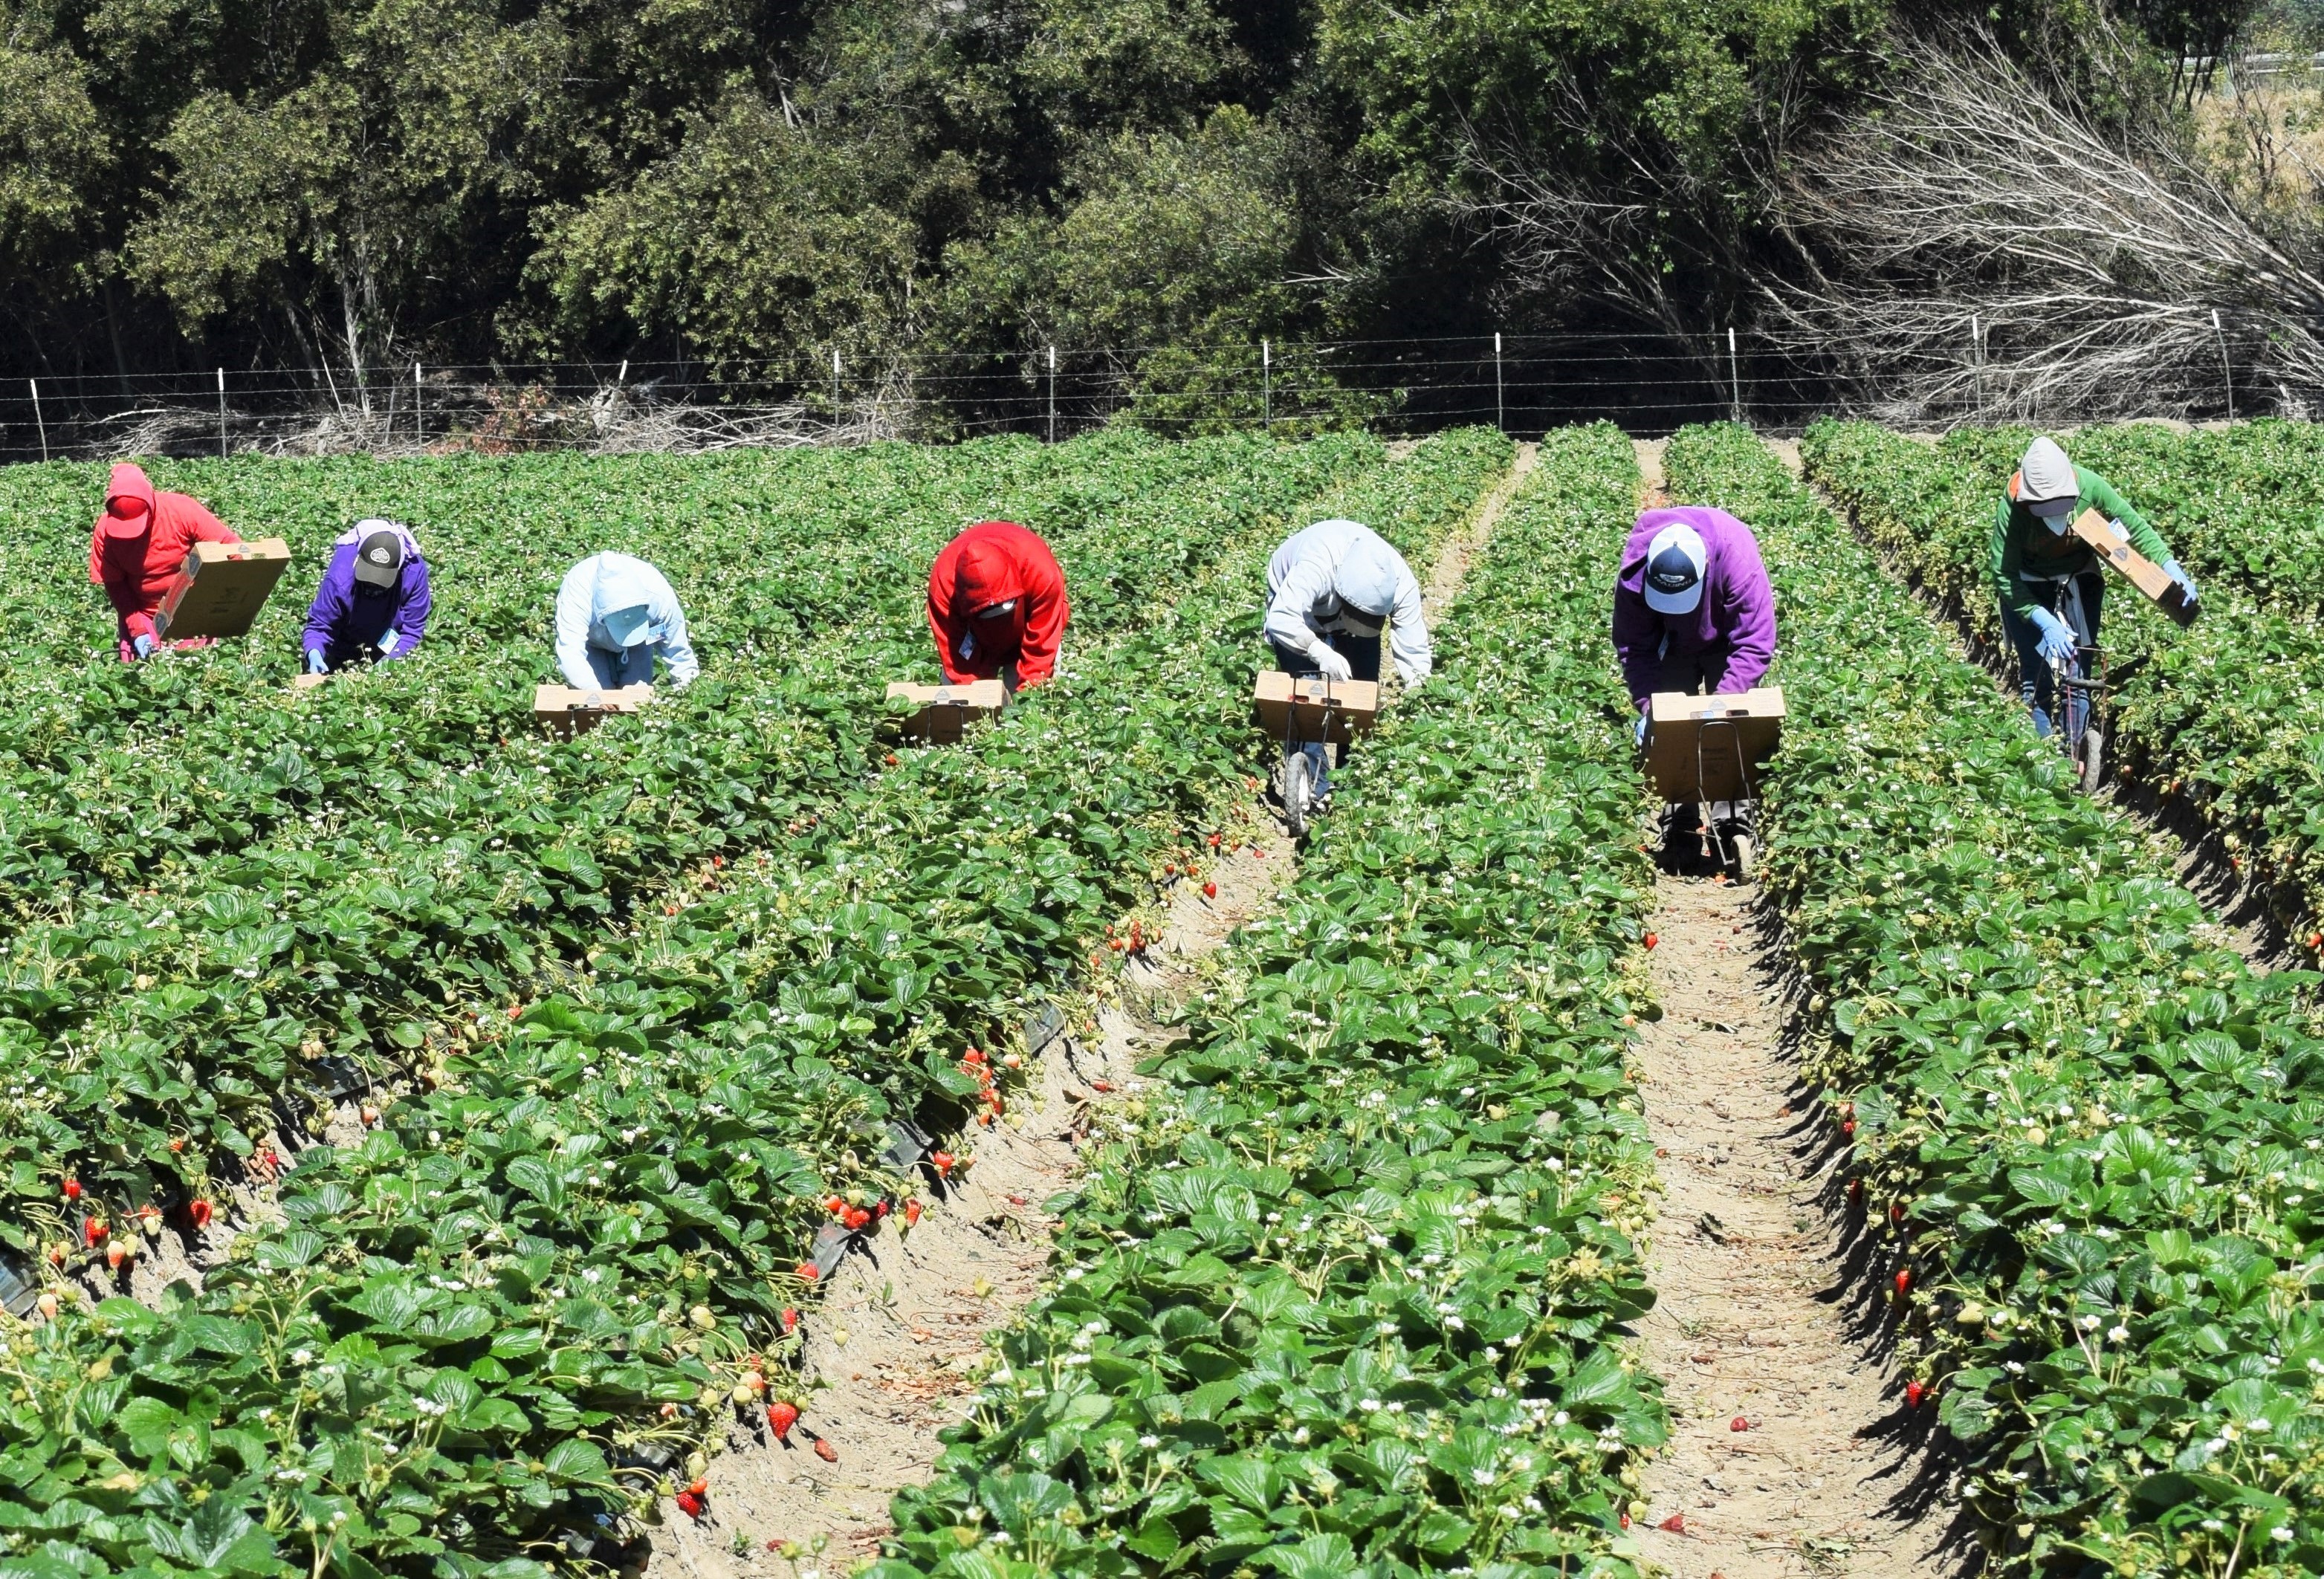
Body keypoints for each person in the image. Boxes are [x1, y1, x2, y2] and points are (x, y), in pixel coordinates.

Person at [1993, 435, 2195, 742]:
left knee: (2079, 672)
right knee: (2037, 675)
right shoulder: (2014, 505)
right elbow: (2004, 574)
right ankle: (2041, 752)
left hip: (2078, 574)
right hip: (2029, 581)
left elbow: (2135, 527)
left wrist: (2167, 564)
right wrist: (2042, 620)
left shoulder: (2090, 485)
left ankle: (2074, 753)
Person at [1613, 501, 1776, 866]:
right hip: (1668, 643)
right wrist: (1650, 706)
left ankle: (1731, 818)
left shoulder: (1735, 557)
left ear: (1703, 571)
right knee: (1673, 730)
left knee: (1727, 726)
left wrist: (1719, 705)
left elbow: (1754, 641)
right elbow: (1633, 647)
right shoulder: (1636, 573)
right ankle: (1679, 819)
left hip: (1725, 639)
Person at [1262, 518, 1431, 801]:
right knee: (1305, 700)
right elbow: (1282, 618)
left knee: (1360, 698)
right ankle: (1314, 788)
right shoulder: (1316, 568)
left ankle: (1351, 785)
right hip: (1298, 615)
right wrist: (1319, 651)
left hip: (1338, 607)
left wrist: (1419, 690)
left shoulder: (1398, 581)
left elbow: (1414, 648)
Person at [88, 462, 240, 661]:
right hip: (141, 612)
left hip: (192, 610)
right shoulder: (104, 532)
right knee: (142, 679)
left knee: (194, 673)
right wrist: (137, 629)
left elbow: (230, 547)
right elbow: (116, 584)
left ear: (151, 507)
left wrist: (227, 602)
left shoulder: (181, 511)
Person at [927, 521, 1067, 691]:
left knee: (1035, 690)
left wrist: (1029, 697)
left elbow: (1041, 650)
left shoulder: (1040, 572)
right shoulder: (945, 586)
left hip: (1026, 626)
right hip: (975, 636)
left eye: (1002, 608)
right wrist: (974, 700)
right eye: (987, 613)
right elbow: (959, 660)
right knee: (958, 699)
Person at [301, 519, 431, 673]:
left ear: (398, 570)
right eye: (367, 580)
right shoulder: (341, 576)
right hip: (342, 646)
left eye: (381, 582)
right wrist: (314, 651)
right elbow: (320, 625)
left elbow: (411, 631)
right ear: (358, 560)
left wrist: (385, 667)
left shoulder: (413, 572)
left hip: (390, 648)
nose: (373, 587)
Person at [554, 552, 698, 691]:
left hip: (641, 642)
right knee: (598, 702)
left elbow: (679, 654)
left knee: (636, 700)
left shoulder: (659, 597)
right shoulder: (576, 597)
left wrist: (687, 693)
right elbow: (571, 653)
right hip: (592, 642)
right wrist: (594, 693)